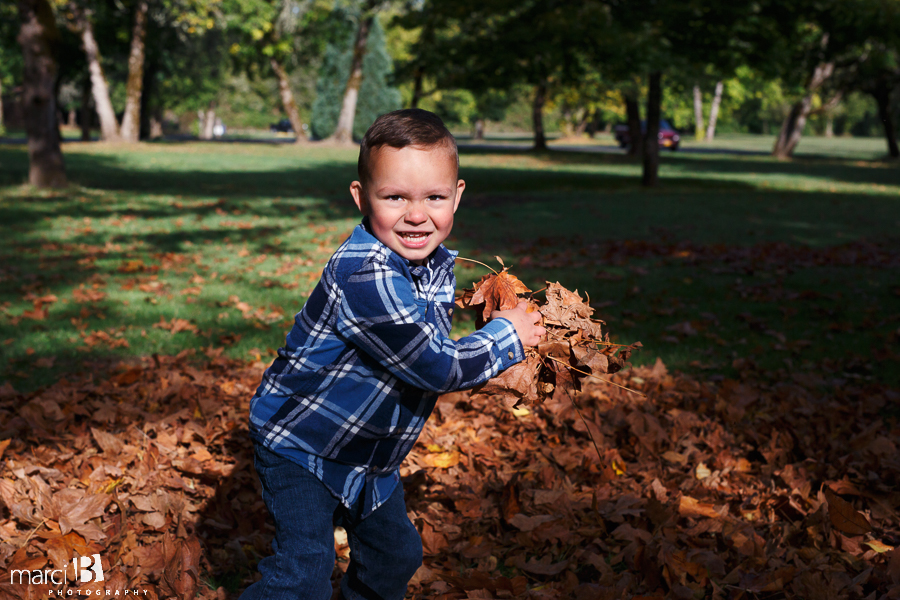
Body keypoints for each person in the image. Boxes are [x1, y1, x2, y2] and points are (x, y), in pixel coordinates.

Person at [242, 108, 545, 600]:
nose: (416, 214)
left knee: (395, 554)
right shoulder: (366, 274)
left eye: (434, 197)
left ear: (457, 196)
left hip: (368, 452)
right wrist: (508, 337)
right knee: (303, 573)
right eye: (395, 197)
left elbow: (426, 352)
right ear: (362, 198)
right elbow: (435, 365)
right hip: (303, 443)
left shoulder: (427, 262)